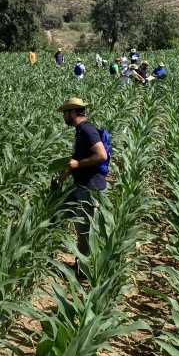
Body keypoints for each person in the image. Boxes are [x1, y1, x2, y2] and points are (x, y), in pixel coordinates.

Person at [55, 98, 108, 266]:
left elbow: (101, 155)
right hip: (79, 185)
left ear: (72, 112)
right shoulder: (80, 130)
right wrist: (68, 172)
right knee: (58, 209)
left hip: (90, 188)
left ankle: (83, 267)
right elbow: (81, 156)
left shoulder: (87, 130)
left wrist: (77, 164)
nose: (63, 117)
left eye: (64, 113)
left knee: (85, 230)